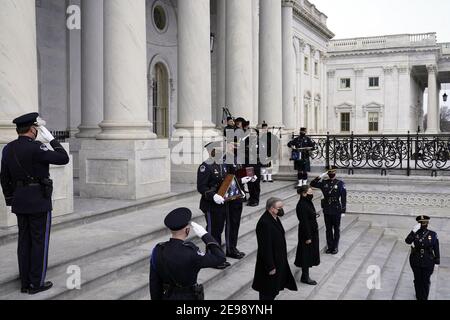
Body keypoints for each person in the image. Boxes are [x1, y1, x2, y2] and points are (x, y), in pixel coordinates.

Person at [0, 112, 70, 295]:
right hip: (39, 200)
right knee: (39, 242)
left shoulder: (8, 149)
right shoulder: (37, 148)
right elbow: (63, 158)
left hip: (20, 201)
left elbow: (4, 178)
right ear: (33, 129)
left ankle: (25, 283)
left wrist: (11, 199)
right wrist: (52, 140)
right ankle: (36, 283)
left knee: (24, 242)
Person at [149, 208, 226, 300]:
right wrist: (205, 235)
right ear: (187, 230)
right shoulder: (191, 252)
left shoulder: (158, 250)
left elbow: (154, 282)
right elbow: (220, 257)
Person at [197, 141, 252, 268]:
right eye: (218, 150)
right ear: (211, 152)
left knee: (220, 228)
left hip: (223, 203)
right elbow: (201, 187)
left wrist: (239, 188)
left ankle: (220, 255)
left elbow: (229, 181)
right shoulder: (205, 166)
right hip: (211, 204)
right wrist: (213, 196)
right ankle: (212, 257)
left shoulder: (223, 165)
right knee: (214, 231)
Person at [252, 197, 297, 300]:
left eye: (282, 207)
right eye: (279, 207)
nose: (281, 209)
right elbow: (265, 247)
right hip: (269, 265)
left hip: (278, 260)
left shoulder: (274, 217)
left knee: (273, 290)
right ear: (271, 208)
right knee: (267, 292)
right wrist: (270, 266)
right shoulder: (265, 223)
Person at [310, 166, 346, 255]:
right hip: (327, 209)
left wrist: (343, 210)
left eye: (332, 173)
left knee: (336, 229)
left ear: (335, 173)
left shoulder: (340, 183)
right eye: (329, 173)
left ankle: (335, 246)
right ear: (328, 174)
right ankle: (330, 247)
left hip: (336, 209)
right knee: (328, 229)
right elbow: (312, 184)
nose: (331, 174)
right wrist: (320, 176)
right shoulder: (324, 183)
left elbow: (344, 198)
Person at [405, 215, 440, 300]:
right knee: (417, 280)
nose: (424, 224)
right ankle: (418, 296)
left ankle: (424, 298)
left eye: (425, 222)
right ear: (419, 224)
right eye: (422, 223)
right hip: (415, 260)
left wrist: (437, 260)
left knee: (425, 280)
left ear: (427, 223)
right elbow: (407, 241)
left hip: (428, 260)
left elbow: (436, 247)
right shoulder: (415, 233)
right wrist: (413, 231)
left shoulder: (433, 234)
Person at [294, 186, 320, 285]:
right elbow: (304, 222)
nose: (311, 194)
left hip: (311, 231)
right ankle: (305, 277)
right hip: (307, 233)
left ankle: (305, 275)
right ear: (304, 193)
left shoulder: (307, 202)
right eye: (310, 192)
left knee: (309, 254)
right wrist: (308, 237)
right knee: (306, 254)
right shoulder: (301, 205)